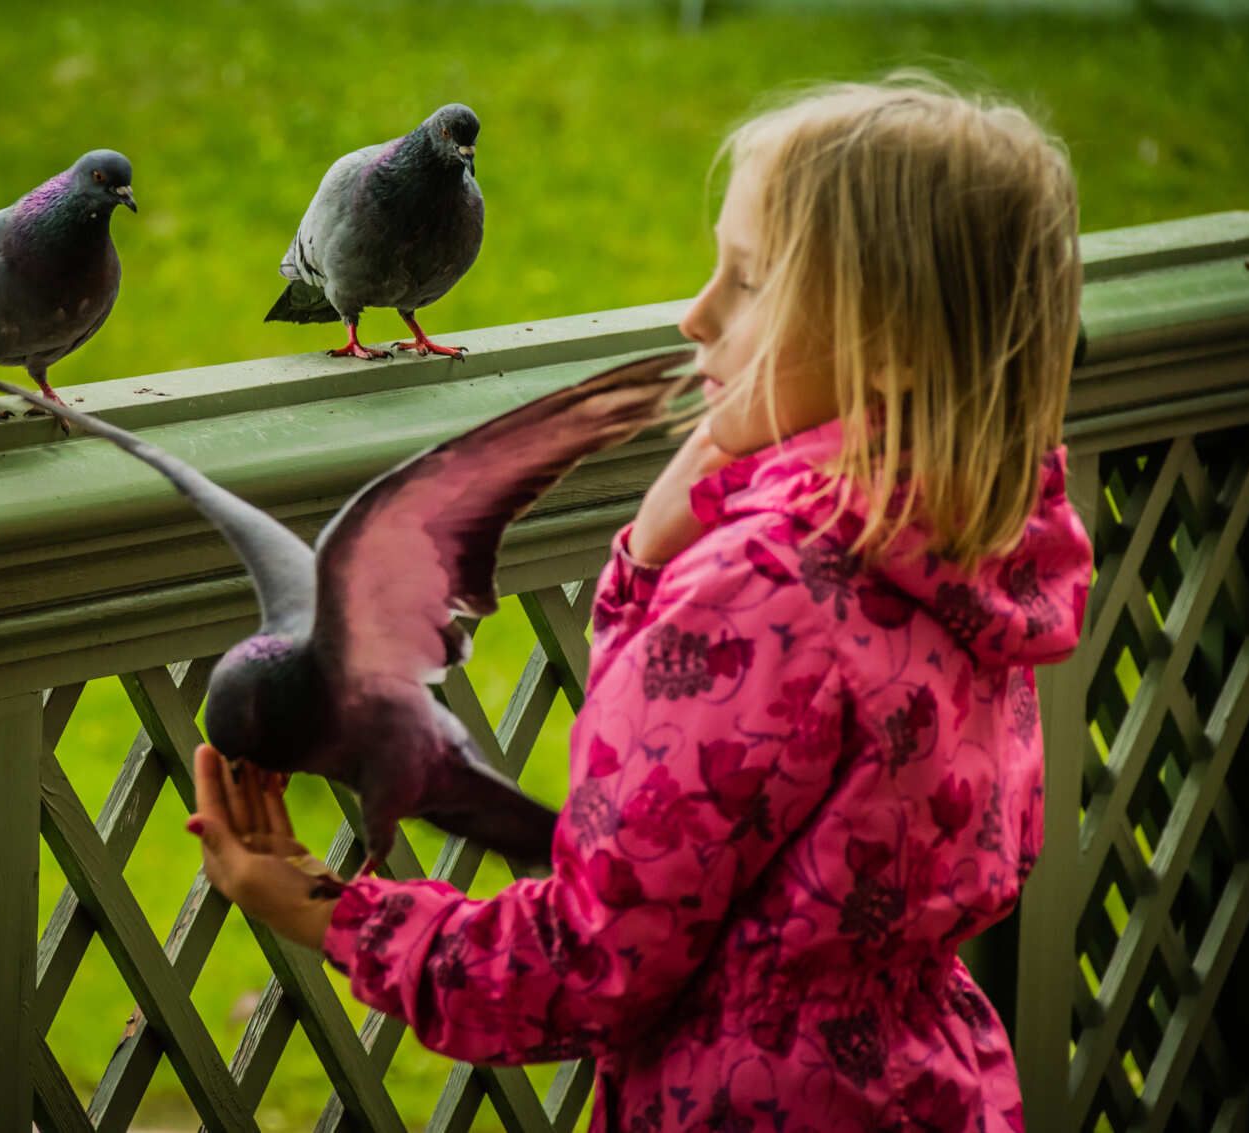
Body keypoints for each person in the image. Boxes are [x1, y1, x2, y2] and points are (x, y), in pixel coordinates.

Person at [187, 77, 1094, 1131]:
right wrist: (656, 561)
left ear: (885, 345)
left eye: (746, 280)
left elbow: (590, 958)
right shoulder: (973, 540)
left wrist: (324, 908)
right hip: (932, 1083)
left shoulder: (760, 594)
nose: (692, 312)